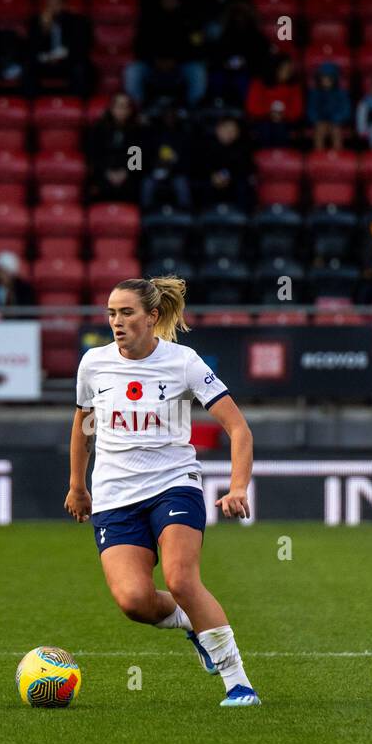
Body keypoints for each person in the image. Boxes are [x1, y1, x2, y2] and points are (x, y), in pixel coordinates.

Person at [65, 276, 260, 708]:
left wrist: (237, 486)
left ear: (152, 317)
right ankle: (194, 625)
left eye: (127, 312)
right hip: (114, 494)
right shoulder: (93, 364)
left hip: (174, 484)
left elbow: (238, 427)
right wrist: (78, 485)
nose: (117, 321)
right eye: (112, 313)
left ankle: (238, 683)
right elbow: (83, 426)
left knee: (181, 578)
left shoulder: (184, 362)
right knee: (133, 601)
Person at [26, 0, 90, 95]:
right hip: (44, 62)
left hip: (68, 61)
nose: (52, 6)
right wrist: (44, 29)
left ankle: (76, 104)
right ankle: (32, 106)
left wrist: (59, 56)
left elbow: (80, 47)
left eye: (56, 3)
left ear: (64, 4)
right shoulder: (36, 21)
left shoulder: (77, 21)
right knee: (29, 68)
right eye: (49, 3)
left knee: (81, 68)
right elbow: (32, 48)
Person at [245, 56, 302, 148]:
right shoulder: (259, 83)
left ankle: (280, 159)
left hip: (286, 121)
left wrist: (283, 115)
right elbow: (252, 107)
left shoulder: (294, 85)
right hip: (262, 120)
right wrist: (269, 113)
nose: (287, 72)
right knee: (265, 128)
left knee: (281, 128)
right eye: (283, 69)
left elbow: (297, 110)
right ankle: (266, 159)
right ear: (275, 68)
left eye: (289, 69)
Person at [308, 62, 351, 151]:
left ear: (334, 78)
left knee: (336, 131)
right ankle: (318, 158)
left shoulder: (341, 93)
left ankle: (337, 158)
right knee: (319, 131)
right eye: (323, 77)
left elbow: (346, 110)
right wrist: (318, 120)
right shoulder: (314, 93)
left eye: (329, 77)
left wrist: (336, 119)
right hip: (320, 122)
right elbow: (311, 110)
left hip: (336, 122)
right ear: (319, 79)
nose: (326, 80)